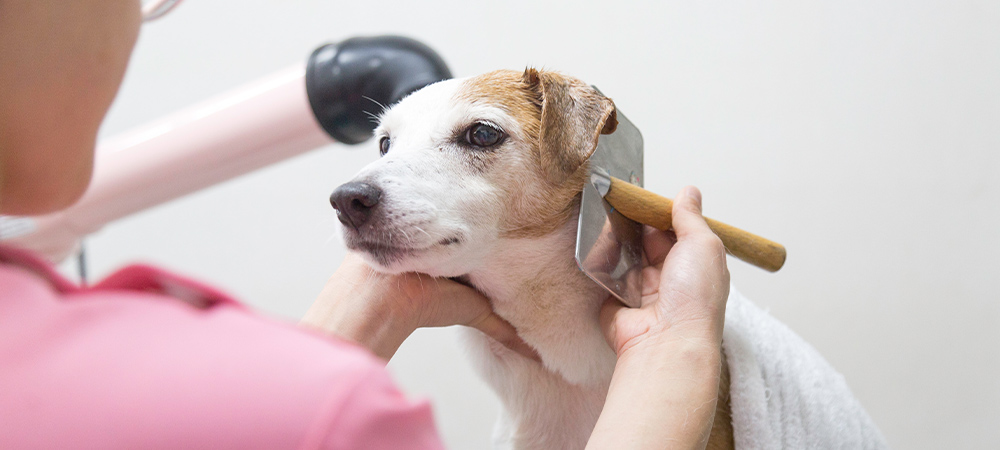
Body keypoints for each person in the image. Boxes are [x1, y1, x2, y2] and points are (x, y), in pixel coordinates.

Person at [0, 1, 730, 448]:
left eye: (478, 137)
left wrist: (382, 299)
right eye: (386, 145)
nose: (362, 188)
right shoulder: (333, 419)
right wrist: (676, 356)